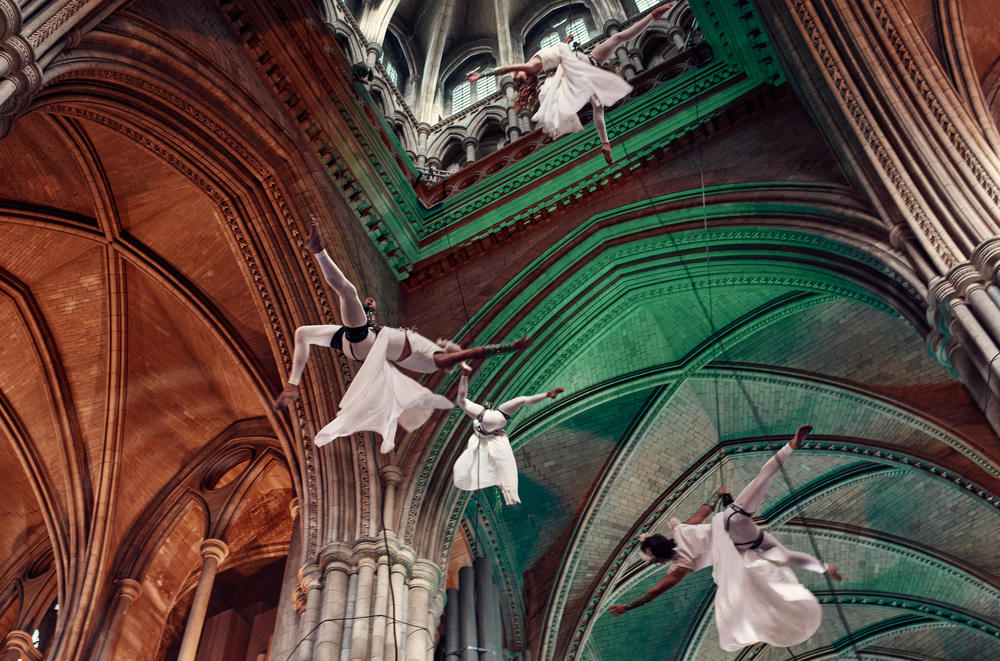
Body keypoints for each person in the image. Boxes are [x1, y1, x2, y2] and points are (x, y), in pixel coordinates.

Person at [276, 218, 531, 452]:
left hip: (363, 343)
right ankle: (293, 384)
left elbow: (477, 352)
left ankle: (318, 250)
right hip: (362, 343)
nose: (446, 345)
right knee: (303, 333)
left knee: (348, 291)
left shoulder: (437, 361)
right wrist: (371, 313)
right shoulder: (430, 354)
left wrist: (510, 347)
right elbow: (379, 334)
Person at [608, 425, 842, 651]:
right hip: (733, 522)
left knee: (782, 558)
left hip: (739, 546)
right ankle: (791, 446)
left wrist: (627, 606)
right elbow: (704, 511)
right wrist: (718, 494)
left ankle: (825, 568)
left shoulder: (680, 567)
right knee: (761, 481)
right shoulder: (680, 529)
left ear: (659, 559)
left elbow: (655, 592)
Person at [467, 3, 674, 163]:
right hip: (583, 66)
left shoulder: (541, 64)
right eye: (517, 79)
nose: (515, 76)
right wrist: (483, 75)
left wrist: (565, 42)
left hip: (586, 61)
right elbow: (508, 68)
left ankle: (651, 16)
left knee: (618, 39)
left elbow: (558, 55)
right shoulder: (533, 67)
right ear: (525, 76)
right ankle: (605, 143)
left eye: (516, 78)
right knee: (598, 104)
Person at [453, 362, 564, 505]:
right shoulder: (491, 443)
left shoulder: (488, 442)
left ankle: (465, 375)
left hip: (489, 420)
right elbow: (503, 464)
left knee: (461, 400)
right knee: (522, 400)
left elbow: (502, 464)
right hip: (497, 418)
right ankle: (547, 394)